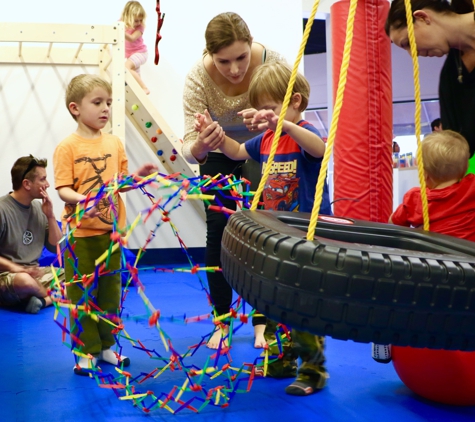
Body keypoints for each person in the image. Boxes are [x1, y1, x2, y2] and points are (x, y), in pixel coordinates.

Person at [196, 61, 331, 396]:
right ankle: (280, 359)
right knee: (273, 301)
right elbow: (238, 151)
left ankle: (313, 370)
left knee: (303, 306)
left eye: (271, 109)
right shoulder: (268, 138)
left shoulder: (305, 134)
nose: (266, 116)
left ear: (295, 102)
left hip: (306, 238)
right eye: (263, 110)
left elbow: (321, 149)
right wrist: (216, 134)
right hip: (275, 236)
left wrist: (284, 124)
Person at [181, 12, 286, 349]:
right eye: (223, 61)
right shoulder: (198, 77)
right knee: (219, 231)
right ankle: (222, 322)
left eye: (241, 57)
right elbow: (189, 150)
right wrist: (201, 143)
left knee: (263, 230)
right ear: (209, 55)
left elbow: (294, 110)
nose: (235, 69)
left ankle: (262, 322)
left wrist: (271, 121)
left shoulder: (272, 62)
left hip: (260, 147)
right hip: (217, 149)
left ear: (251, 44)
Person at [53, 74, 157, 375]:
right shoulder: (67, 147)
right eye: (97, 102)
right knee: (83, 294)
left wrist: (136, 178)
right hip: (81, 236)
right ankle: (86, 350)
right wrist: (83, 199)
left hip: (112, 234)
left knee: (110, 292)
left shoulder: (114, 142)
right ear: (75, 108)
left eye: (108, 103)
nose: (105, 109)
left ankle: (107, 347)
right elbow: (62, 188)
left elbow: (119, 183)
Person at [385, 0, 475, 173]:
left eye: (408, 43)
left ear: (423, 17)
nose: (413, 54)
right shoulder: (451, 77)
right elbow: (460, 149)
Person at [0, 156, 63, 314]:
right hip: (9, 276)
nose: (47, 184)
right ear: (27, 184)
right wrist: (18, 269)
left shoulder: (38, 208)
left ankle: (41, 301)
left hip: (35, 273)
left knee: (78, 276)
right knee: (24, 281)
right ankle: (47, 297)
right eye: (43, 179)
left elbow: (57, 248)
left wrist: (50, 216)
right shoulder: (2, 209)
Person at [390, 129, 475, 239]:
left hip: (432, 255)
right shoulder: (471, 187)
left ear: (424, 174)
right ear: (465, 169)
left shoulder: (416, 198)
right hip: (468, 253)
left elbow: (393, 223)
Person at [121, 1, 149, 94]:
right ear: (127, 17)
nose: (139, 22)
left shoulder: (140, 28)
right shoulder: (121, 24)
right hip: (131, 56)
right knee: (133, 74)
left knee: (126, 67)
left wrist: (121, 32)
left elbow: (132, 38)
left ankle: (144, 88)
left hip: (141, 53)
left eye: (141, 20)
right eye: (136, 20)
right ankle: (139, 92)